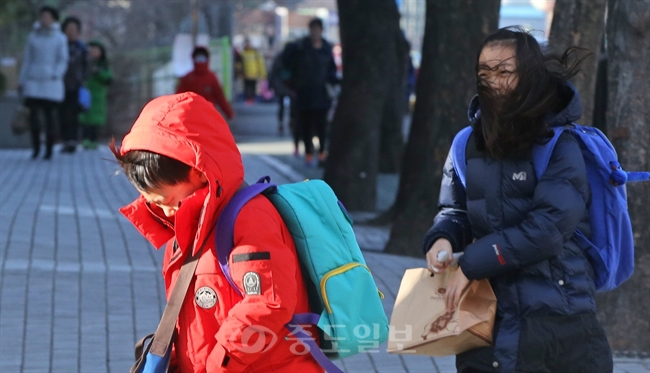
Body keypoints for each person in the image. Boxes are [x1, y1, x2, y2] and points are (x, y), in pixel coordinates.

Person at [424, 27, 612, 373]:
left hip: (557, 311)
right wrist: (443, 238)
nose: (492, 80)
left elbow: (548, 228)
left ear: (529, 75)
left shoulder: (560, 144)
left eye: (504, 71)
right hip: (485, 310)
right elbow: (454, 208)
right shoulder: (466, 143)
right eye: (484, 72)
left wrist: (472, 263)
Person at [110, 92, 322, 372]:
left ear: (199, 172)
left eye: (167, 200)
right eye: (150, 201)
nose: (163, 211)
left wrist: (218, 364)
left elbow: (268, 305)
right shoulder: (191, 224)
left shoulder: (251, 217)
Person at [282, 18, 338, 166]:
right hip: (303, 94)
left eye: (317, 29)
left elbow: (331, 71)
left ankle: (321, 153)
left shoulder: (326, 49)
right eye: (313, 29)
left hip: (321, 94)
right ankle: (308, 153)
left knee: (321, 126)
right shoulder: (300, 48)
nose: (315, 33)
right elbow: (288, 65)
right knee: (305, 125)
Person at [18, 6, 68, 160]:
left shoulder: (60, 37)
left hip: (51, 82)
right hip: (33, 80)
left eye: (47, 16)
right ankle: (36, 148)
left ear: (53, 19)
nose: (44, 19)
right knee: (33, 116)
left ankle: (49, 149)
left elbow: (63, 60)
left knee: (49, 117)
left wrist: (55, 74)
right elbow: (27, 59)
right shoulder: (33, 36)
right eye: (42, 16)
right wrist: (22, 79)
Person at [176, 46, 233, 120]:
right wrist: (229, 114)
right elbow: (220, 98)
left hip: (193, 117)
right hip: (204, 116)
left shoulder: (189, 78)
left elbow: (177, 99)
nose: (200, 61)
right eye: (198, 58)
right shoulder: (189, 78)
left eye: (202, 58)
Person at [59, 16, 87, 154]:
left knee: (74, 114)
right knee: (62, 114)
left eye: (74, 29)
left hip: (76, 85)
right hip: (59, 85)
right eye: (68, 29)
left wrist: (83, 79)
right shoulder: (59, 46)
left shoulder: (81, 48)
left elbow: (86, 66)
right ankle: (65, 140)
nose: (71, 32)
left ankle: (73, 140)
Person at [79, 40, 112, 150]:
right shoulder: (82, 63)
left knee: (96, 119)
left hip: (98, 95)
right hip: (85, 94)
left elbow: (108, 78)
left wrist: (98, 72)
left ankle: (94, 139)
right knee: (84, 117)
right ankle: (85, 139)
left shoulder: (103, 65)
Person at [240, 38, 266, 104]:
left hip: (254, 74)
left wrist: (263, 74)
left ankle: (252, 99)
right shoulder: (242, 53)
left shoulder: (255, 53)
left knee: (252, 87)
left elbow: (260, 64)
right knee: (246, 88)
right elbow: (240, 64)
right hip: (245, 74)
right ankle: (247, 100)